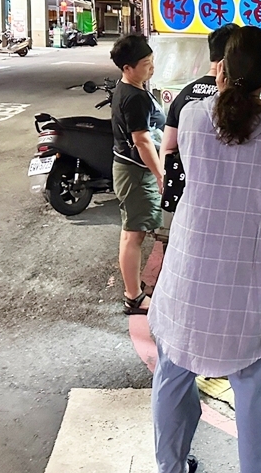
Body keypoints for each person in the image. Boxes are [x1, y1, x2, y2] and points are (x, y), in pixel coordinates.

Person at [148, 26, 261, 473]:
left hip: (191, 272)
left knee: (172, 377)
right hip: (251, 281)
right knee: (253, 398)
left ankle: (170, 467)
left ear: (221, 67)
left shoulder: (193, 118)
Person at [110, 34, 166, 315]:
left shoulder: (129, 89)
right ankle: (134, 297)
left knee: (130, 232)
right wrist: (160, 174)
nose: (151, 67)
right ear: (127, 68)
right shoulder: (134, 97)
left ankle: (133, 292)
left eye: (152, 61)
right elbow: (143, 141)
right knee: (134, 236)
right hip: (135, 173)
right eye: (145, 63)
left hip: (128, 169)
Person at [160, 23, 239, 163]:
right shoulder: (233, 98)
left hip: (186, 181)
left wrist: (165, 181)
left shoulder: (184, 94)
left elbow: (167, 148)